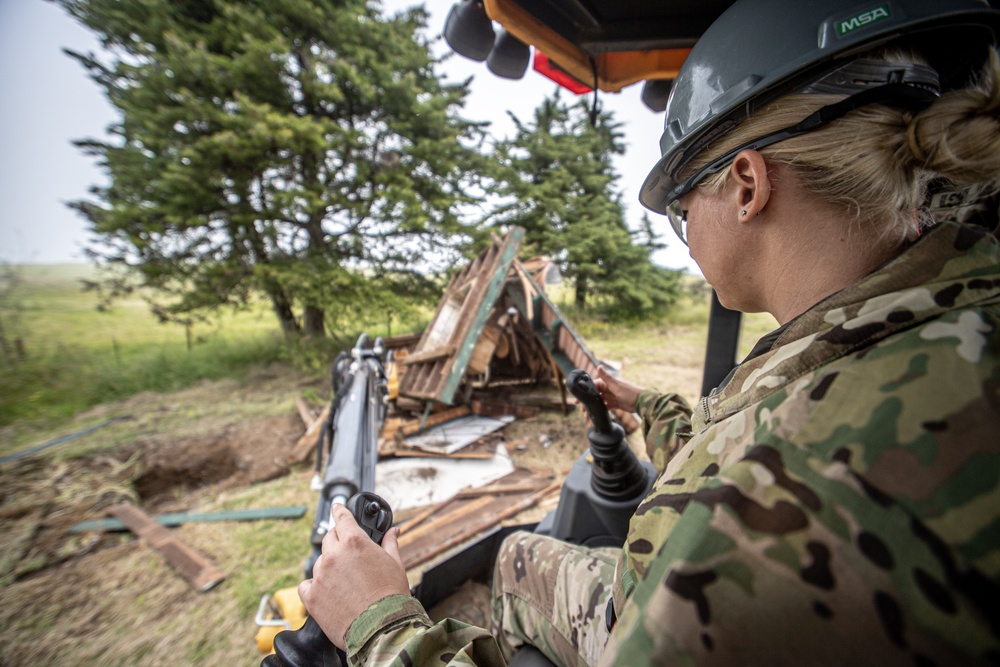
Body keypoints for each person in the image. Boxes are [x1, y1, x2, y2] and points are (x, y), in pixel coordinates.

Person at [298, 0, 1000, 664]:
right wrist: (649, 408)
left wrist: (379, 619)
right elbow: (740, 442)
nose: (684, 234)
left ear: (748, 186)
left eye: (681, 208)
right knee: (515, 555)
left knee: (513, 556)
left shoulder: (813, 489)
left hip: (646, 616)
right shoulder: (927, 317)